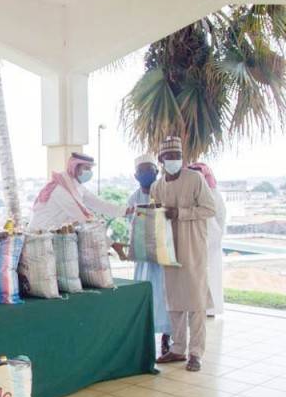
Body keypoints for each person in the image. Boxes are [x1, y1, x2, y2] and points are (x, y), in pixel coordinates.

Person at [152, 136, 216, 372]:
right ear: (161, 160)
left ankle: (196, 354)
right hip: (169, 251)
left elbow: (210, 209)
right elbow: (155, 217)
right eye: (170, 157)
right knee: (174, 302)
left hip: (193, 248)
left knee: (196, 302)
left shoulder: (195, 178)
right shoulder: (157, 186)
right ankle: (178, 349)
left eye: (178, 157)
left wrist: (180, 213)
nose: (174, 161)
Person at [125, 154, 172, 355]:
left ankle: (166, 337)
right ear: (136, 175)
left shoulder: (164, 192)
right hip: (143, 257)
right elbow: (132, 225)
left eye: (149, 170)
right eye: (142, 170)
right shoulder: (133, 198)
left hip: (162, 255)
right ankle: (143, 337)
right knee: (144, 294)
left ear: (157, 171)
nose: (146, 174)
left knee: (164, 295)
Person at [28, 152, 129, 231]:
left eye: (90, 169)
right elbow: (82, 218)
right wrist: (110, 243)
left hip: (53, 235)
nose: (89, 172)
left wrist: (125, 211)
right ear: (74, 167)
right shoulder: (61, 188)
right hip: (38, 235)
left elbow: (99, 204)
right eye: (86, 168)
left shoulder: (77, 187)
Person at [189, 162, 226, 316]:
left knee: (209, 274)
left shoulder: (213, 192)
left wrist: (216, 236)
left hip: (210, 239)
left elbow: (220, 216)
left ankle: (209, 309)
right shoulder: (188, 191)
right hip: (192, 239)